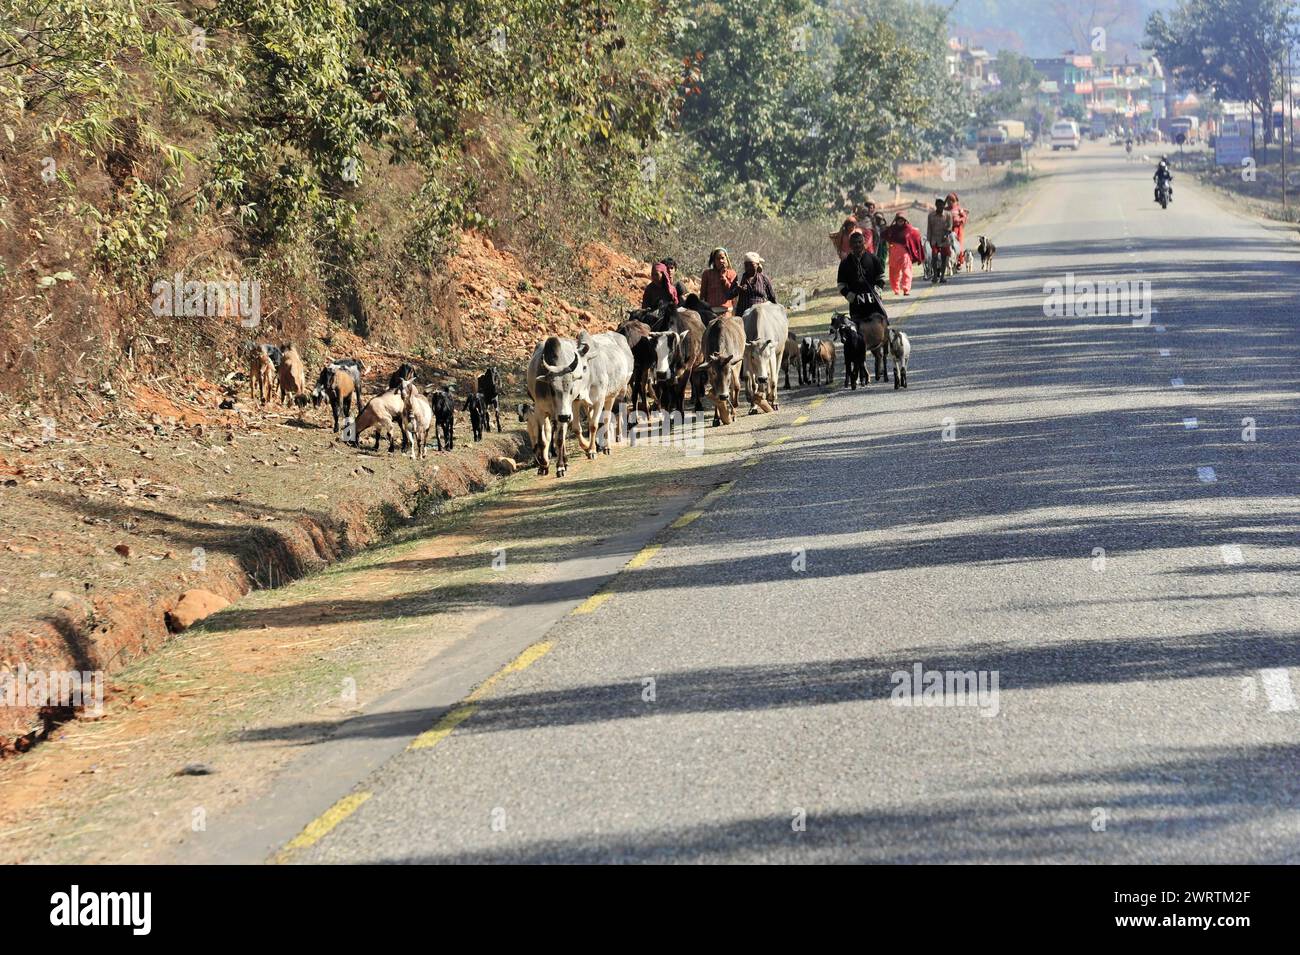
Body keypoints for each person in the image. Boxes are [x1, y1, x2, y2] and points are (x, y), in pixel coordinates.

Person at [836, 230, 887, 320]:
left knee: (879, 329)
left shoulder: (873, 259)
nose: (857, 245)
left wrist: (877, 290)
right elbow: (841, 285)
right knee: (859, 331)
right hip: (856, 307)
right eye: (854, 243)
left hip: (874, 303)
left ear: (864, 242)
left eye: (860, 242)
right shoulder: (845, 263)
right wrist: (850, 296)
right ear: (850, 245)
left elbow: (881, 277)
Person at [882, 212, 925, 297]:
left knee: (907, 272)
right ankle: (896, 289)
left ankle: (906, 289)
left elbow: (916, 237)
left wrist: (919, 256)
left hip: (905, 254)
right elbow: (883, 235)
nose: (900, 221)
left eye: (902, 220)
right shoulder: (892, 229)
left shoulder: (910, 229)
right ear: (896, 220)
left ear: (905, 220)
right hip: (894, 254)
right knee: (894, 273)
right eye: (899, 220)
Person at [699, 247, 738, 315]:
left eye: (722, 258)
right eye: (717, 259)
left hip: (727, 311)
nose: (721, 261)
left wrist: (724, 278)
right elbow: (702, 294)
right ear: (713, 261)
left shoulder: (732, 273)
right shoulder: (707, 274)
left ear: (726, 259)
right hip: (711, 312)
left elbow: (733, 293)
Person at [925, 197, 954, 284]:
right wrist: (929, 239)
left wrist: (946, 234)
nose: (940, 206)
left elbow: (950, 227)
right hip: (934, 239)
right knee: (934, 257)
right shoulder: (931, 215)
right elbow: (929, 228)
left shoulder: (948, 215)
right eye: (938, 204)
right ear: (936, 205)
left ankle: (942, 276)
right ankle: (934, 276)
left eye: (942, 204)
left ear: (944, 205)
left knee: (944, 258)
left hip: (944, 239)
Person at [945, 192, 968, 269]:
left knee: (959, 245)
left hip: (958, 229)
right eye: (948, 201)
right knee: (950, 246)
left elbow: (964, 216)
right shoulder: (945, 210)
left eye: (951, 201)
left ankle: (959, 261)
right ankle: (951, 261)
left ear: (954, 201)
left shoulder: (958, 208)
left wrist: (960, 220)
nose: (949, 203)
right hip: (949, 230)